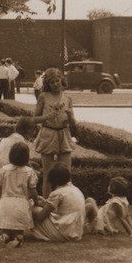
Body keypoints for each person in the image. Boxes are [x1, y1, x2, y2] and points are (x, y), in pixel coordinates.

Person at [33, 67, 76, 198]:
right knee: (48, 174)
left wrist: (70, 117)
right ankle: (47, 203)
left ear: (62, 80)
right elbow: (34, 119)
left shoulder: (67, 97)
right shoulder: (43, 97)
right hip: (48, 133)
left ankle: (69, 202)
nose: (56, 84)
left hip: (64, 134)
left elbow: (73, 123)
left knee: (66, 173)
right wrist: (47, 117)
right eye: (52, 82)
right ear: (48, 84)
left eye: (57, 81)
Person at [0, 141, 39, 248]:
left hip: (6, 203)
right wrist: (36, 202)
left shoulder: (3, 170)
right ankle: (18, 237)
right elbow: (33, 191)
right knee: (18, 229)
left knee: (6, 227)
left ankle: (5, 236)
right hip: (21, 203)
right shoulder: (29, 172)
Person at [29, 163, 86, 243]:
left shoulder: (57, 193)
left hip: (64, 230)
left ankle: (16, 232)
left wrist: (31, 206)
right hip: (76, 230)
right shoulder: (75, 189)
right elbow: (64, 209)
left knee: (33, 209)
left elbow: (41, 216)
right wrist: (45, 203)